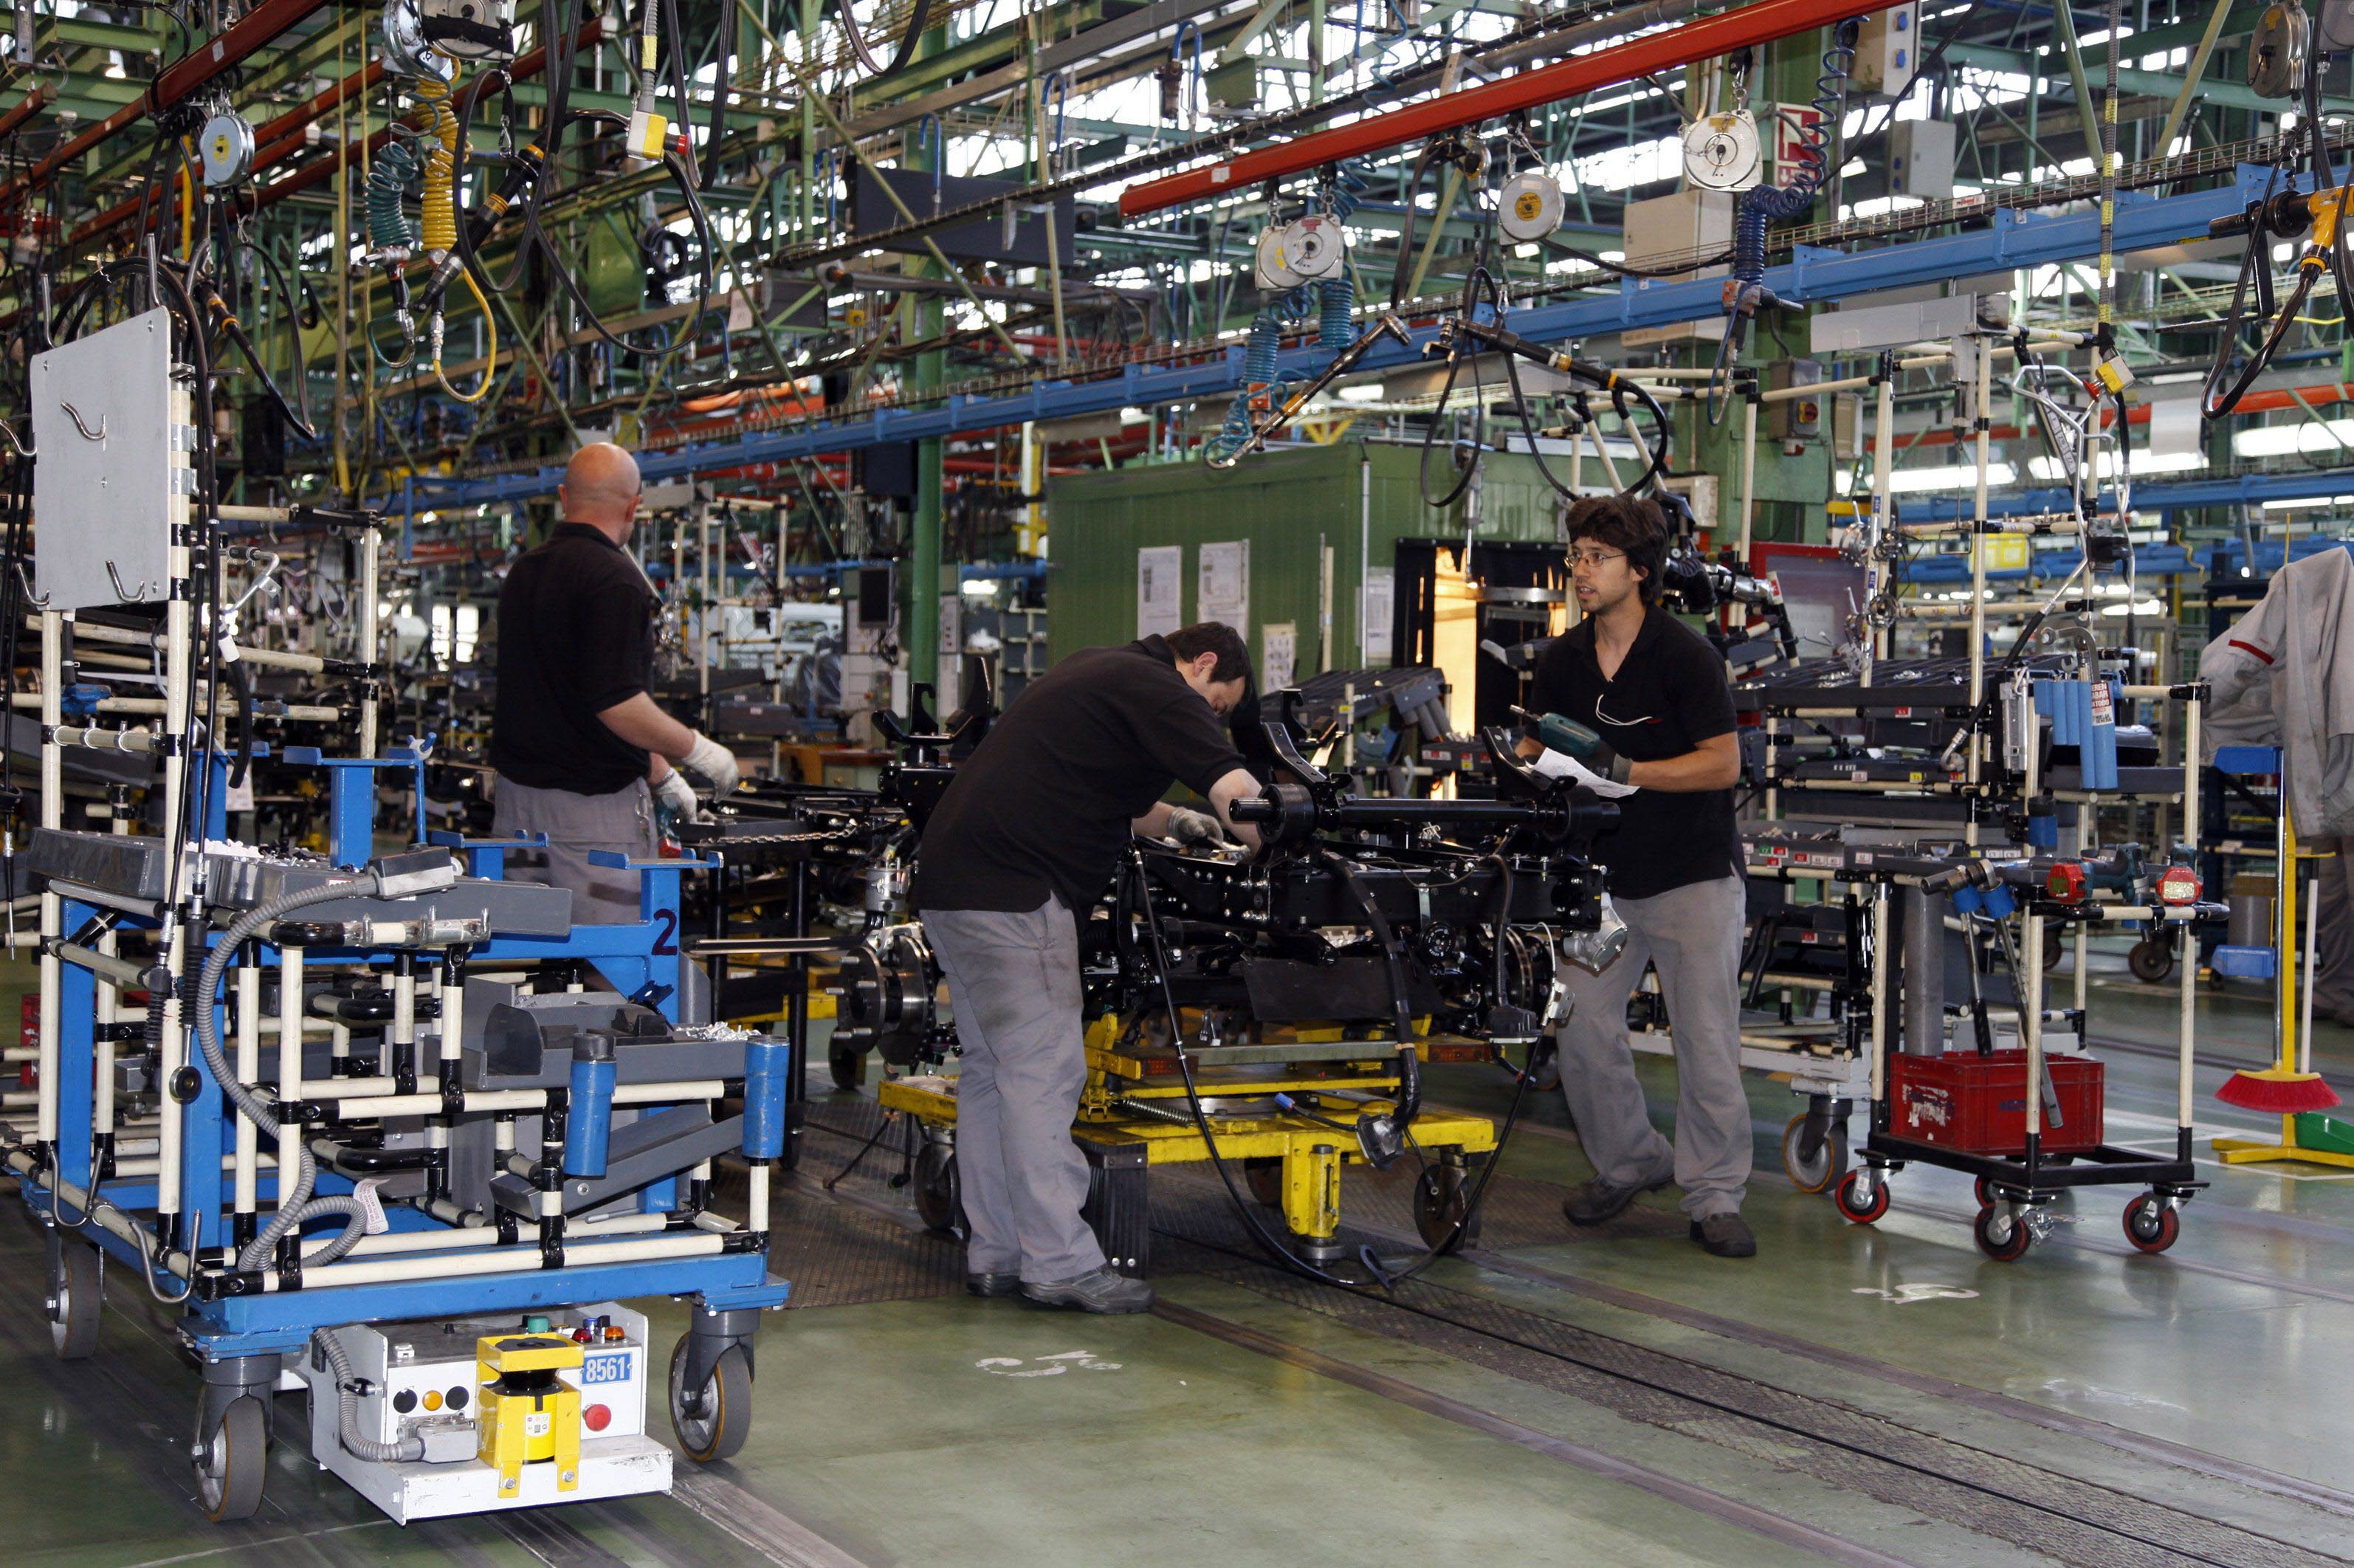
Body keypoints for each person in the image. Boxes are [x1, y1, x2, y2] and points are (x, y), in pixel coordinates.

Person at [912, 622, 1262, 1313]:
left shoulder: (1092, 663)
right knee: (1044, 1075)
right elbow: (1238, 792)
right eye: (1218, 704)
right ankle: (1060, 1263)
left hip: (951, 886)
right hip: (1015, 896)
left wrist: (1177, 824)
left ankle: (999, 1252)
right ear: (1203, 664)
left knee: (992, 1076)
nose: (1210, 716)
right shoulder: (1161, 688)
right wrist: (1282, 838)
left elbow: (1111, 793)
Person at [1517, 494, 1755, 1259]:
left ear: (1640, 571)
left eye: (1597, 558)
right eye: (1576, 556)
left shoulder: (1686, 657)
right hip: (1603, 883)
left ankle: (1715, 1193)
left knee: (1705, 1039)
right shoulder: (1563, 659)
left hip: (1691, 877)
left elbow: (1723, 764)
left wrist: (1632, 771)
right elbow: (1544, 748)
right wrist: (1523, 763)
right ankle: (1631, 1161)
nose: (1581, 572)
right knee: (1578, 1018)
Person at [489, 441, 742, 921]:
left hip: (514, 810)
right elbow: (616, 704)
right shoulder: (615, 580)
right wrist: (698, 750)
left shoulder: (524, 573)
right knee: (616, 963)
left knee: (526, 960)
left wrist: (659, 771)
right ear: (633, 506)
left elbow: (566, 696)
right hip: (590, 818)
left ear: (565, 496)